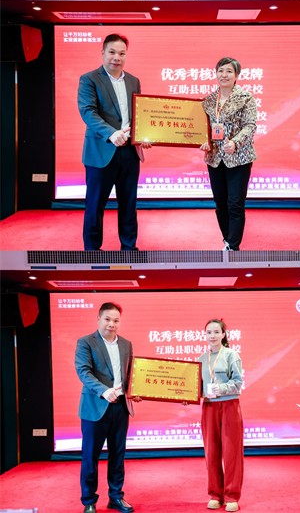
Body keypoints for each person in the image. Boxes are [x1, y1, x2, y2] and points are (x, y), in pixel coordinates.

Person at [78, 34, 150, 251]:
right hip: (101, 151)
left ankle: (129, 248)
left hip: (129, 152)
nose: (116, 57)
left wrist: (144, 134)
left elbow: (138, 114)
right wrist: (111, 133)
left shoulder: (133, 81)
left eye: (121, 53)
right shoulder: (89, 79)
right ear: (103, 53)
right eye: (112, 52)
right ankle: (92, 252)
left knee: (128, 203)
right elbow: (88, 112)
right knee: (95, 205)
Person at [75, 302, 135, 513]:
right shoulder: (85, 342)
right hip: (95, 408)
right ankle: (89, 501)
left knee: (118, 455)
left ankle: (116, 497)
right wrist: (103, 390)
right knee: (90, 456)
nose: (112, 324)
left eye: (116, 320)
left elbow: (131, 373)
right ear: (99, 319)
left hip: (120, 408)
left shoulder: (126, 344)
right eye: (107, 319)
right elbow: (83, 371)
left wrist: (135, 390)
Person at [199, 58, 257, 251]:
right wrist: (204, 140)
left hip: (239, 158)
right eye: (221, 71)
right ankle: (227, 240)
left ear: (236, 75)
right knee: (220, 203)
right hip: (215, 158)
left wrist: (235, 142)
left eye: (229, 71)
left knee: (235, 203)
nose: (224, 75)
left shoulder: (246, 98)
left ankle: (233, 246)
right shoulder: (208, 101)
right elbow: (203, 128)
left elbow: (250, 126)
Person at [198, 319, 244, 512]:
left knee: (232, 452)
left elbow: (238, 383)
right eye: (209, 332)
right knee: (212, 452)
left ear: (223, 334)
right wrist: (187, 396)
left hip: (229, 406)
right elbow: (198, 387)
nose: (212, 336)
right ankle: (216, 494)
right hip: (209, 407)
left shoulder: (231, 354)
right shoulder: (202, 358)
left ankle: (232, 496)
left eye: (216, 332)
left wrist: (221, 388)